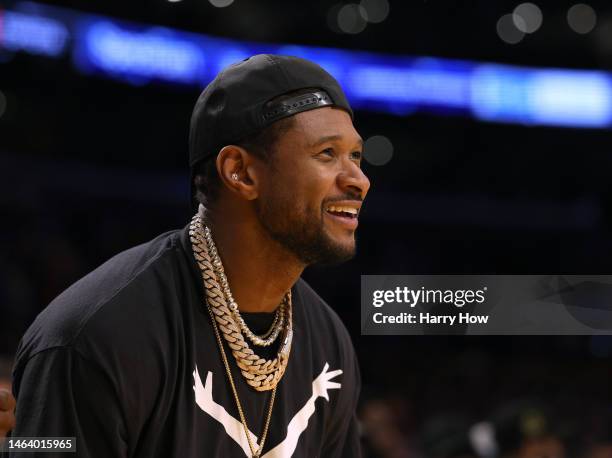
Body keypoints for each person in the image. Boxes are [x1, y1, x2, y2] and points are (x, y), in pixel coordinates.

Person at [11, 54, 370, 457]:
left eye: (355, 156)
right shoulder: (97, 336)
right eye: (327, 153)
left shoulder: (328, 342)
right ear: (240, 172)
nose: (359, 180)